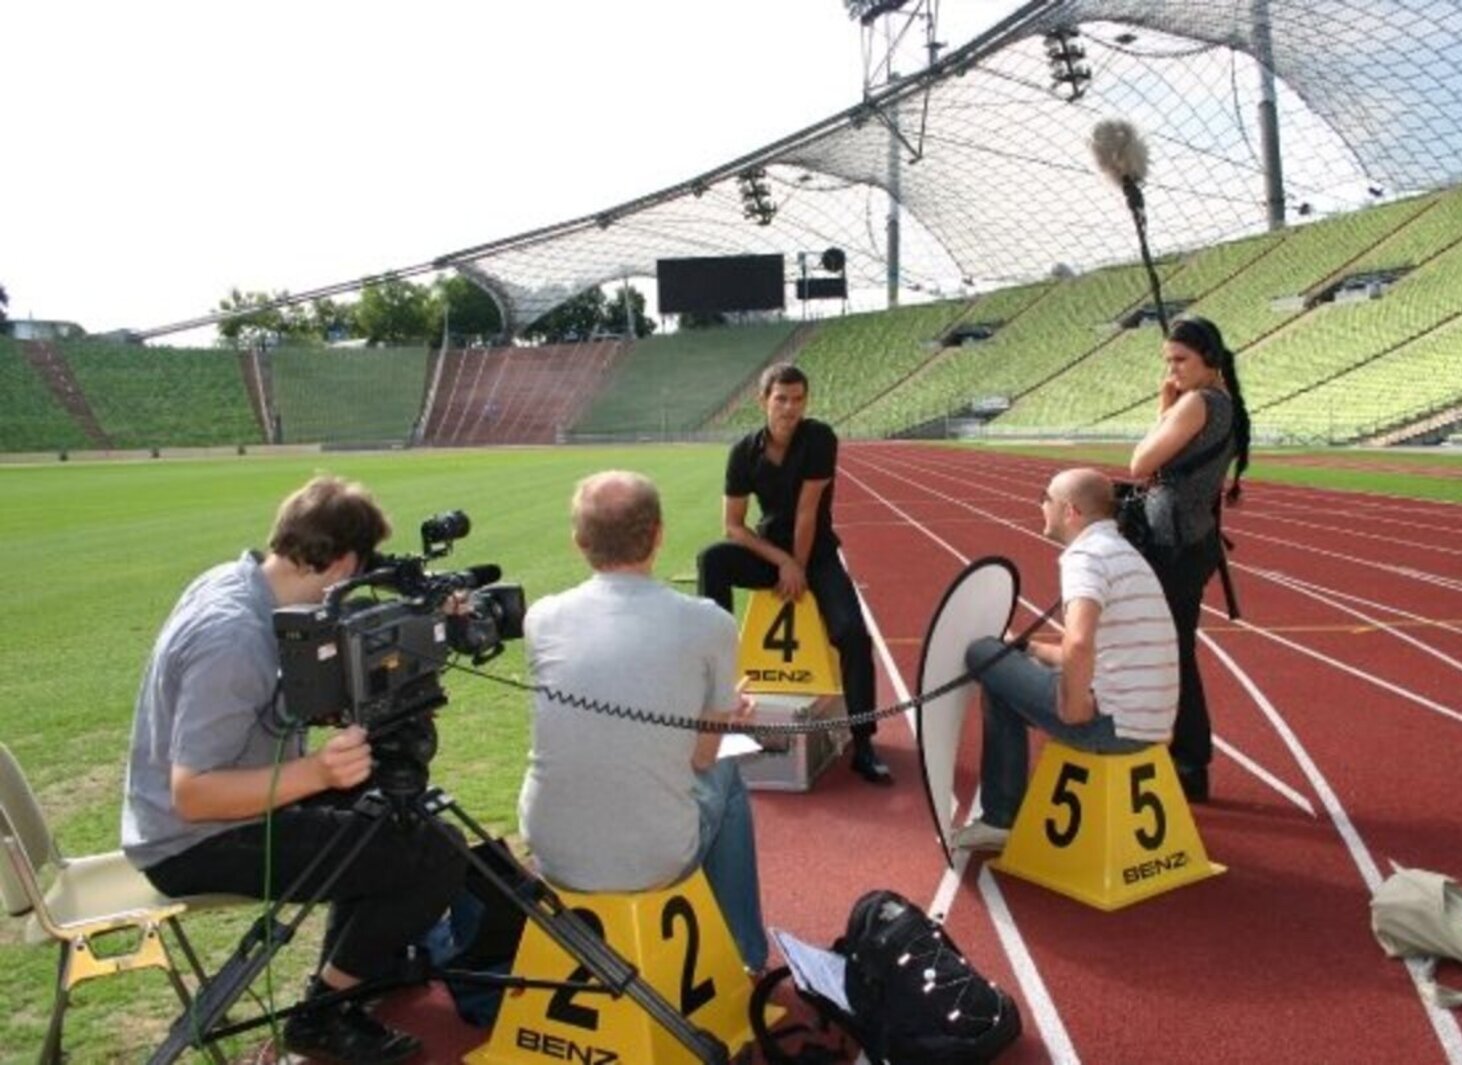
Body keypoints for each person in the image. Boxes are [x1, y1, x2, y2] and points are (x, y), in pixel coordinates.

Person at [122, 475, 466, 1065]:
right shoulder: (231, 637)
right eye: (357, 573)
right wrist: (317, 774)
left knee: (396, 810)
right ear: (337, 563)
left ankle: (343, 990)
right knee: (435, 853)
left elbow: (280, 688)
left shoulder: (244, 584)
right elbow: (194, 795)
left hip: (232, 809)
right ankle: (322, 1013)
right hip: (194, 841)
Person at [520, 470, 768, 973]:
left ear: (579, 542)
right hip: (655, 857)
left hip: (550, 850)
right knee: (727, 775)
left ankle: (739, 952)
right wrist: (719, 715)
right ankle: (745, 956)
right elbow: (702, 756)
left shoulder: (541, 617)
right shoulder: (710, 622)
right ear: (658, 534)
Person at [953, 469, 1178, 852]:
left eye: (1046, 498)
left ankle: (1001, 819)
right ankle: (1000, 817)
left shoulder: (1085, 556)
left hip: (1111, 729)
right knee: (1005, 673)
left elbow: (1079, 641)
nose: (1040, 505)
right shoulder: (1125, 554)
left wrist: (1074, 706)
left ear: (1070, 511)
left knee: (983, 654)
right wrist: (1032, 650)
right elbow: (1102, 653)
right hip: (1151, 727)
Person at [697, 363, 892, 785]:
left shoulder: (819, 438)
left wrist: (799, 567)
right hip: (771, 553)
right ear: (763, 400)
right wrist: (781, 562)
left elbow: (807, 513)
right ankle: (718, 669)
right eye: (781, 399)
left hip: (817, 555)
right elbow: (733, 525)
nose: (790, 408)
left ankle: (863, 744)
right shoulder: (743, 451)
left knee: (853, 635)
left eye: (798, 399)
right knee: (713, 559)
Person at [1129, 315, 1251, 803]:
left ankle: (1189, 761)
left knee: (1172, 653)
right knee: (1172, 649)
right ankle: (1184, 756)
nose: (1172, 370)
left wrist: (1164, 408)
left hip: (1174, 543)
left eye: (1180, 360)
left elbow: (1139, 463)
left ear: (1209, 361)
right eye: (1167, 362)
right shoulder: (1223, 403)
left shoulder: (1198, 403)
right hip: (1191, 539)